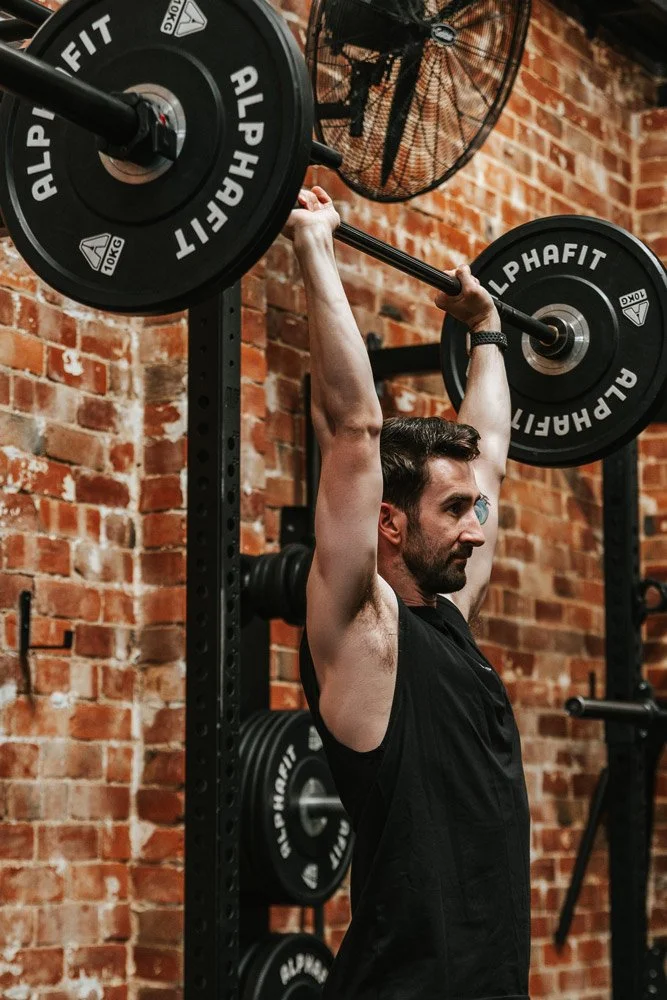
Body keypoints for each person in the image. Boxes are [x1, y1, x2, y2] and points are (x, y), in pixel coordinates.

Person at [284, 186, 530, 1000]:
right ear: (387, 524)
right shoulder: (366, 634)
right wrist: (313, 243)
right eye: (453, 511)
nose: (477, 528)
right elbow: (353, 425)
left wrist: (486, 330)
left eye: (475, 511)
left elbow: (488, 451)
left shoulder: (449, 618)